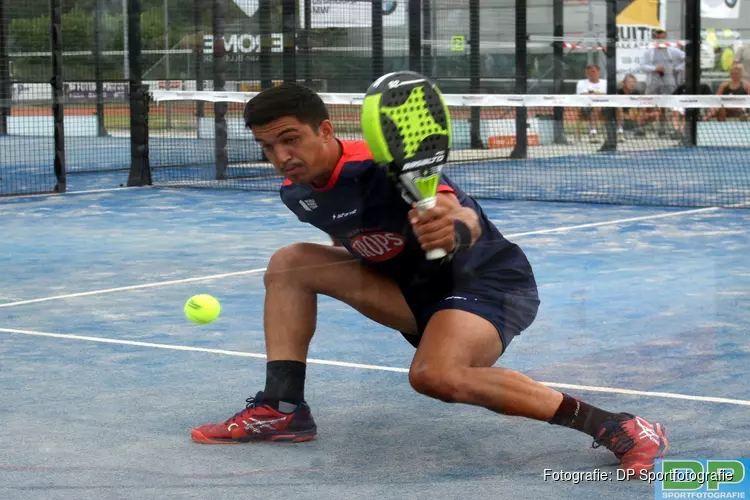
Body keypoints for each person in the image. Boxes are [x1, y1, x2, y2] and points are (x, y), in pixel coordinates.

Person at [191, 83, 669, 475]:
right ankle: (282, 407)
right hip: (415, 294)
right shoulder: (296, 194)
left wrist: (453, 226)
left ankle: (618, 427)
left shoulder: (384, 169)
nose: (280, 155)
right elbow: (354, 240)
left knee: (435, 376)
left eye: (290, 138)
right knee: (291, 261)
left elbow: (458, 213)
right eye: (268, 146)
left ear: (325, 130)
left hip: (488, 285)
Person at [640, 29, 685, 136]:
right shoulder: (649, 52)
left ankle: (663, 128)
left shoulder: (674, 50)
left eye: (662, 37)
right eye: (657, 37)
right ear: (655, 38)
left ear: (665, 38)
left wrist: (677, 68)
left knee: (667, 106)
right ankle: (641, 128)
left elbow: (687, 59)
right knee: (647, 104)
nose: (660, 39)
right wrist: (655, 68)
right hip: (654, 82)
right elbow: (642, 66)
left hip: (669, 81)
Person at [575, 63, 607, 142]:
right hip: (586, 107)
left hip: (605, 107)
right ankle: (593, 133)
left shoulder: (605, 82)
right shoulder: (581, 83)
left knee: (618, 108)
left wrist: (591, 93)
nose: (590, 74)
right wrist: (599, 94)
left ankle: (619, 132)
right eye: (588, 72)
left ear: (598, 72)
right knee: (596, 108)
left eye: (593, 71)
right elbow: (582, 94)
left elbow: (608, 95)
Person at [615, 74, 649, 138]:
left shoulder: (637, 92)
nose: (632, 84)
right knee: (619, 109)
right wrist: (626, 113)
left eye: (633, 82)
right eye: (629, 82)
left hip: (633, 114)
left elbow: (641, 105)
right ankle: (620, 131)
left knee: (642, 107)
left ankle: (639, 128)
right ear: (624, 83)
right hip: (620, 114)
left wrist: (634, 111)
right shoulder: (618, 92)